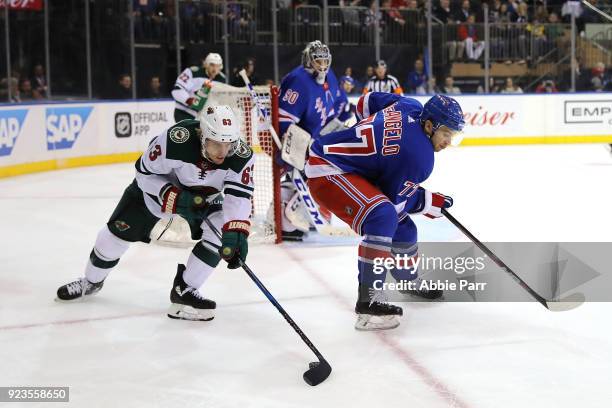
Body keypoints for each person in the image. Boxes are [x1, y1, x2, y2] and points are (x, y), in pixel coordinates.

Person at [56, 106, 255, 322]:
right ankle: (91, 281)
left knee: (220, 235)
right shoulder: (175, 140)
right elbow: (143, 174)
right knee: (111, 238)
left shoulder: (241, 156)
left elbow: (239, 199)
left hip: (204, 200)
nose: (223, 152)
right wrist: (172, 196)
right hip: (155, 195)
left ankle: (184, 291)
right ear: (202, 135)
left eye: (229, 144)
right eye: (216, 144)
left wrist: (236, 232)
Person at [304, 93, 465, 330]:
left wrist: (367, 135)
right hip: (328, 168)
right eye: (446, 133)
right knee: (383, 215)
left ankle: (408, 281)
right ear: (429, 125)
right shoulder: (419, 157)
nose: (448, 141)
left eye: (453, 135)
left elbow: (365, 102)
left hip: (350, 168)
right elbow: (394, 200)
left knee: (403, 227)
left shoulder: (409, 105)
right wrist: (428, 201)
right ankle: (369, 302)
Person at [276, 40, 352, 241]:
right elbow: (284, 120)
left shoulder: (330, 76)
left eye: (325, 61)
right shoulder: (298, 81)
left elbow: (336, 103)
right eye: (318, 62)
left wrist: (340, 123)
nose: (322, 66)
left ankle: (307, 213)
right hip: (297, 139)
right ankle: (288, 220)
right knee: (305, 175)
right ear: (308, 60)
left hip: (315, 137)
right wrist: (289, 148)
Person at [172, 52, 226, 122]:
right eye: (212, 65)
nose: (215, 69)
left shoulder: (222, 78)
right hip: (184, 113)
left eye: (218, 66)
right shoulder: (192, 72)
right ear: (206, 64)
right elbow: (177, 90)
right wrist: (190, 101)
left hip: (205, 116)